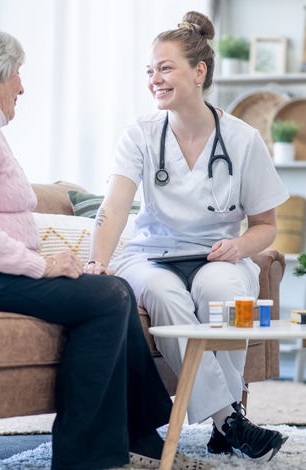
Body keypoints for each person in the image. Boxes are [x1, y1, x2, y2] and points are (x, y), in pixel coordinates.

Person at [0, 13, 213, 470]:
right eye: (17, 73)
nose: (22, 87)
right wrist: (39, 265)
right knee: (108, 295)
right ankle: (87, 454)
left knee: (109, 289)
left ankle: (136, 431)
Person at [86, 10, 290, 464]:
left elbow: (266, 225)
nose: (154, 79)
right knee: (164, 295)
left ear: (199, 72)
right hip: (152, 256)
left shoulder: (243, 140)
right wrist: (97, 263)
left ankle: (225, 423)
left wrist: (239, 247)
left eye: (165, 68)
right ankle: (229, 421)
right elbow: (114, 206)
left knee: (225, 289)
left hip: (217, 257)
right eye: (149, 71)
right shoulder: (140, 134)